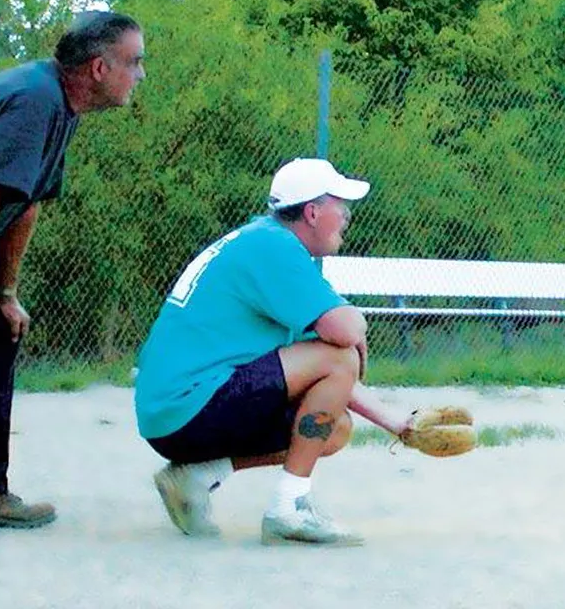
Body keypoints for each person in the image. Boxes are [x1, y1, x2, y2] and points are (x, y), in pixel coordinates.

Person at [135, 158, 423, 546]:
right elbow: (342, 339)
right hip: (186, 406)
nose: (347, 216)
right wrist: (353, 328)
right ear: (312, 212)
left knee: (334, 428)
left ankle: (197, 476)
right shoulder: (273, 247)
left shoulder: (265, 242)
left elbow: (324, 373)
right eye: (341, 205)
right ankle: (289, 509)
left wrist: (395, 423)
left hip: (176, 412)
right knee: (339, 355)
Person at [0, 11, 146, 534]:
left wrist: (4, 293)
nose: (140, 75)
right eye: (134, 62)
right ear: (98, 68)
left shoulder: (60, 106)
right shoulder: (36, 100)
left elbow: (24, 201)